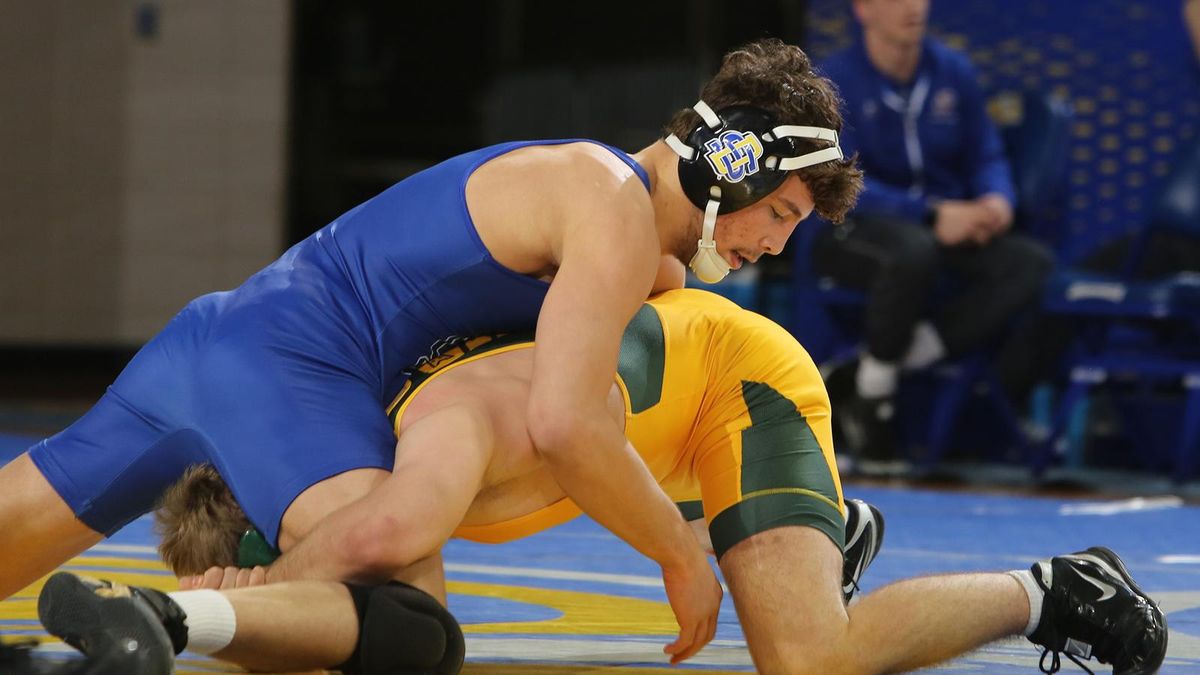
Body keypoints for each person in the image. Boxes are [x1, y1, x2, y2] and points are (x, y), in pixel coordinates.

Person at [0, 38, 863, 662]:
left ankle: (189, 612)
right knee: (415, 632)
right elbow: (566, 425)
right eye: (781, 213)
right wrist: (680, 555)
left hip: (211, 338)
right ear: (732, 164)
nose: (775, 246)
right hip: (292, 370)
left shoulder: (615, 222)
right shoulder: (612, 212)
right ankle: (167, 615)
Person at [37, 290, 1167, 675]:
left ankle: (1056, 589)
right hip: (632, 432)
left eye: (280, 559)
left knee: (807, 658)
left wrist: (224, 610)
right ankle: (817, 531)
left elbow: (385, 619)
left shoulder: (415, 457)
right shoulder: (354, 447)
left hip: (733, 386)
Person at [807, 0, 1053, 470]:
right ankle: (875, 410)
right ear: (863, 10)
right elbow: (835, 179)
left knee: (1030, 265)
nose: (913, 6)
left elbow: (986, 153)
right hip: (856, 229)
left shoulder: (953, 71)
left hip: (947, 228)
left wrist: (997, 199)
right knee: (912, 252)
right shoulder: (834, 81)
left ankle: (867, 374)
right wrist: (928, 212)